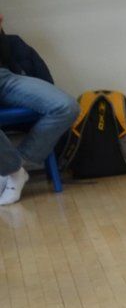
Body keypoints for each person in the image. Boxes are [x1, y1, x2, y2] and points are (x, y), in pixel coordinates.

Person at [0, 16, 78, 206]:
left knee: (66, 106)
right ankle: (14, 171)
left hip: (4, 76)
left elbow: (5, 53)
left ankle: (17, 166)